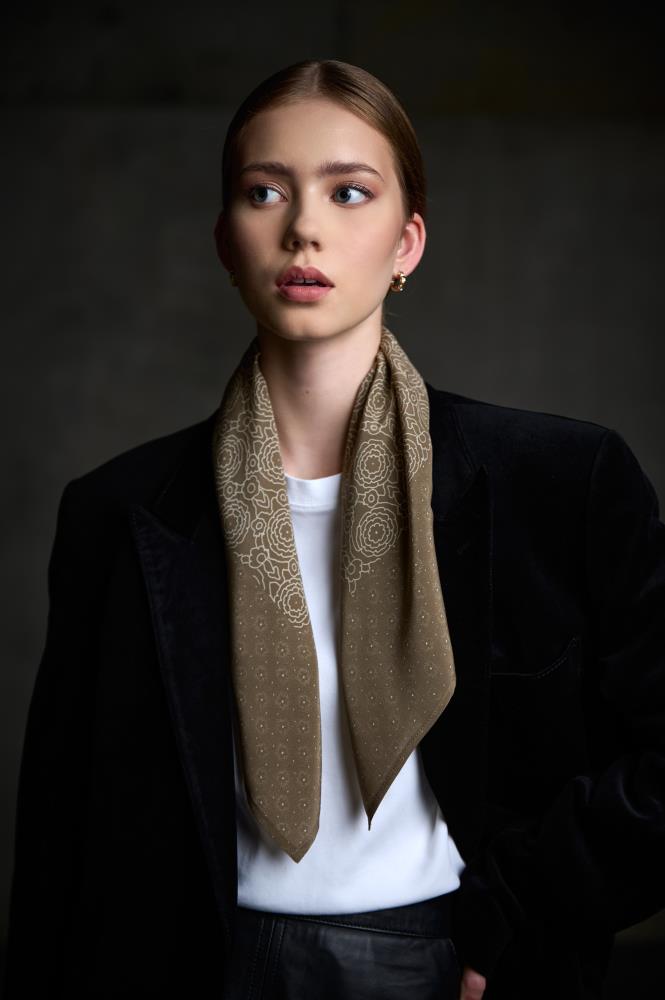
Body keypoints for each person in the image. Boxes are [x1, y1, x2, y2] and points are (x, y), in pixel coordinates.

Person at [4, 58, 664, 1000]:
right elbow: (62, 835)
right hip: (198, 966)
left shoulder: (560, 482)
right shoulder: (118, 511)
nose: (303, 227)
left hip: (455, 964)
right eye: (264, 191)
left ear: (408, 242)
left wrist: (523, 910)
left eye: (349, 192)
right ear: (227, 243)